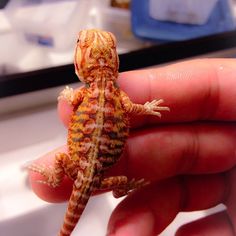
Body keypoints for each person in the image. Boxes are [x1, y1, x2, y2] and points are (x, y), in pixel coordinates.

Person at [29, 59, 236, 236]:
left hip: (84, 171)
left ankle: (55, 178)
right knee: (118, 182)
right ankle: (117, 189)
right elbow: (130, 108)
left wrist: (67, 95)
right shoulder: (116, 95)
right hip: (97, 174)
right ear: (115, 63)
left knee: (62, 162)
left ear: (80, 65)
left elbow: (73, 100)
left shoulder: (85, 94)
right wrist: (145, 108)